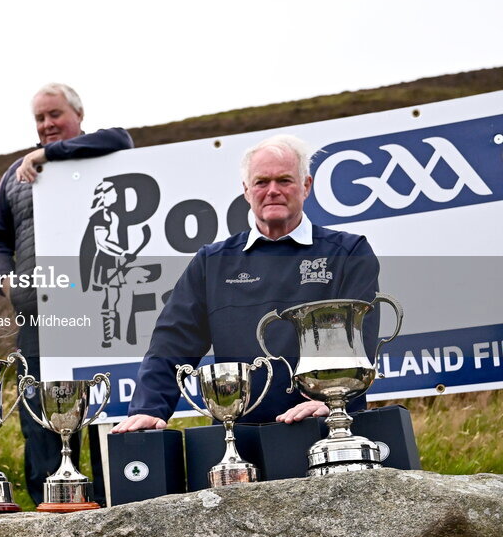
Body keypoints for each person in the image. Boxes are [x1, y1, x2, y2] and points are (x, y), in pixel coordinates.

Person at [112, 134, 380, 434]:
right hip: (238, 438)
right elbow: (172, 340)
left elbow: (361, 337)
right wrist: (149, 408)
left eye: (285, 180)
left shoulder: (349, 252)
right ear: (246, 191)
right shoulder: (211, 262)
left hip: (326, 425)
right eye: (262, 182)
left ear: (306, 186)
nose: (273, 191)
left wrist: (334, 401)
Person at [0, 83, 133, 505]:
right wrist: (4, 278)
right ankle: (54, 513)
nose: (47, 125)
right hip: (39, 318)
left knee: (104, 416)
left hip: (101, 312)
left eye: (55, 115)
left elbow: (122, 137)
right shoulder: (16, 174)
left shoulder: (104, 152)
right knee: (43, 421)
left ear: (77, 116)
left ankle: (115, 506)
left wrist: (48, 155)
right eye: (40, 119)